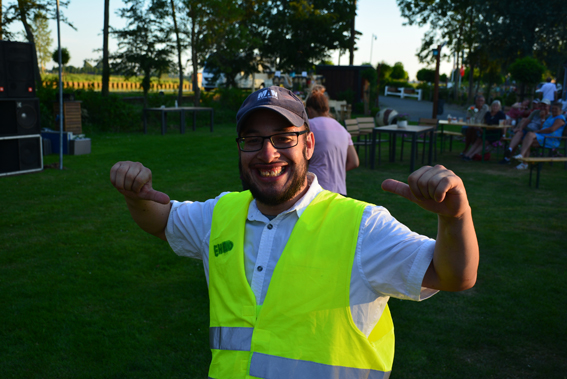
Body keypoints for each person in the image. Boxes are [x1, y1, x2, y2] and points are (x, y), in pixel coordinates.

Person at [110, 86, 479, 378]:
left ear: (309, 143)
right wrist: (136, 197)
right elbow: (161, 222)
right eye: (252, 140)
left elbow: (454, 275)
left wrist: (456, 217)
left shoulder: (362, 226)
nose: (267, 154)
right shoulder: (219, 214)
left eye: (284, 137)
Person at [305, 87, 359, 195]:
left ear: (309, 110)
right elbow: (354, 162)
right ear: (327, 109)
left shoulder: (309, 126)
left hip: (316, 189)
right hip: (339, 190)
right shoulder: (343, 129)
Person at [513, 101, 566, 170]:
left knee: (528, 137)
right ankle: (523, 162)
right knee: (526, 140)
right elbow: (542, 127)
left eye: (556, 109)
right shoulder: (550, 117)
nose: (553, 110)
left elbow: (552, 129)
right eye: (552, 108)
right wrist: (543, 118)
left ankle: (523, 159)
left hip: (551, 139)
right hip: (543, 137)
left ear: (560, 110)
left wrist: (538, 131)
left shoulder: (560, 118)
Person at [499, 99, 550, 164]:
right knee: (519, 133)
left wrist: (542, 117)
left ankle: (519, 162)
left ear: (549, 106)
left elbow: (543, 129)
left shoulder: (549, 116)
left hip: (534, 134)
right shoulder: (535, 112)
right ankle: (509, 149)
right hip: (526, 130)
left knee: (523, 140)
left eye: (545, 106)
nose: (542, 107)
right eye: (541, 105)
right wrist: (521, 128)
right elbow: (527, 121)